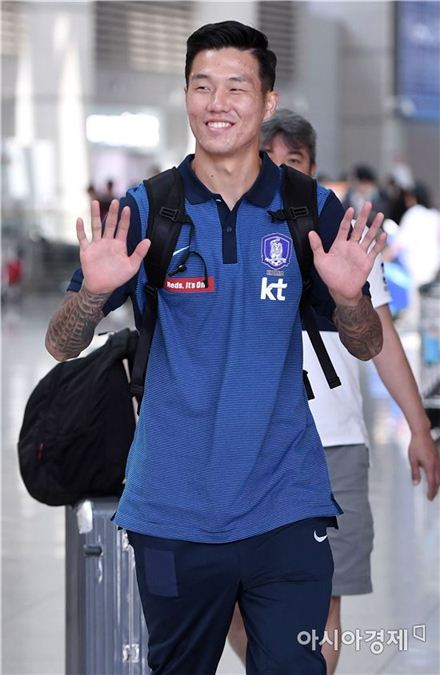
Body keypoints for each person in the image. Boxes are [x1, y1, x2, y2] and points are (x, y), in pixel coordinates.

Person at [46, 22, 387, 675]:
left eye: (236, 86)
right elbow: (61, 343)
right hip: (174, 508)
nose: (217, 101)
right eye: (203, 85)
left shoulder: (306, 207)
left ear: (265, 101)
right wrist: (91, 294)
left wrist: (350, 299)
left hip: (287, 503)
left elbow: (365, 344)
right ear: (185, 96)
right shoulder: (152, 208)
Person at [227, 109, 440, 674]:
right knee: (230, 598)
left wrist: (418, 426)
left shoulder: (342, 232)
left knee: (321, 602)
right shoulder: (230, 230)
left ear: (313, 167)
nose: (277, 173)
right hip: (243, 445)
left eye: (291, 162)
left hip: (333, 443)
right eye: (267, 161)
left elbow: (383, 339)